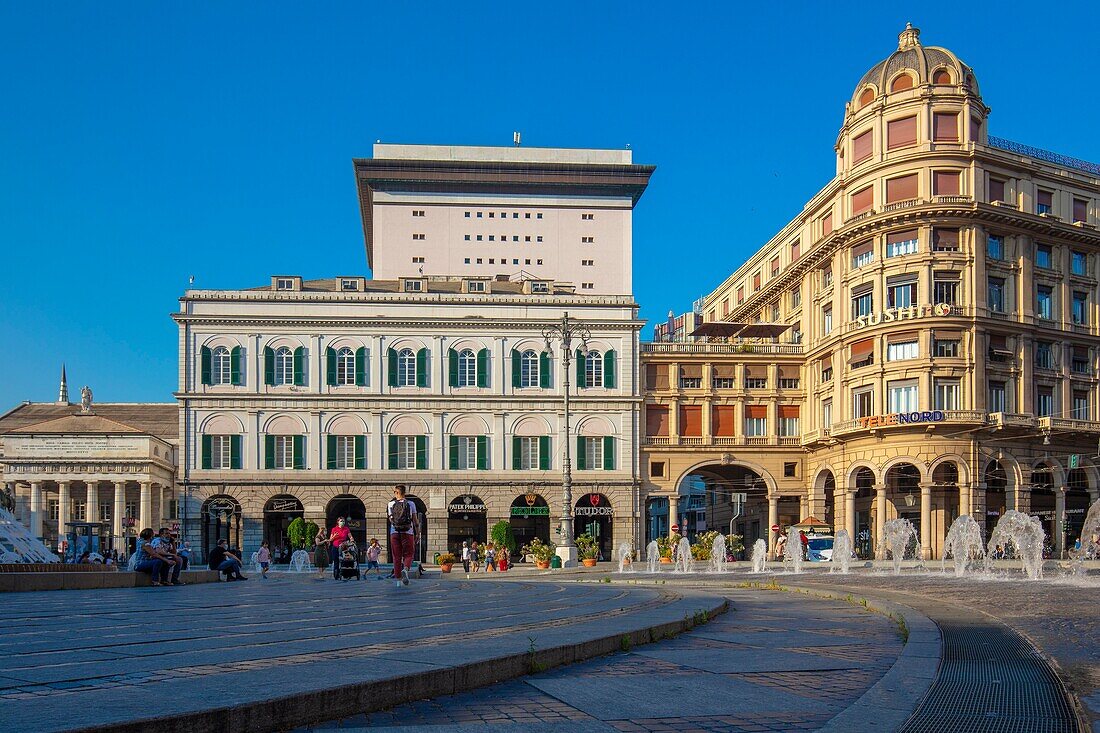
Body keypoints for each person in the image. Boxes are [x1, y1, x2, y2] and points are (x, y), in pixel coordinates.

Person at [387, 484, 418, 587]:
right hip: (407, 532)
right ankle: (405, 569)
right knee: (409, 554)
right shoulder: (411, 504)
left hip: (394, 532)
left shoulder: (390, 504)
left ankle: (398, 581)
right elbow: (415, 521)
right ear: (405, 493)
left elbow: (391, 519)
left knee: (396, 556)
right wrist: (417, 533)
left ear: (396, 492)